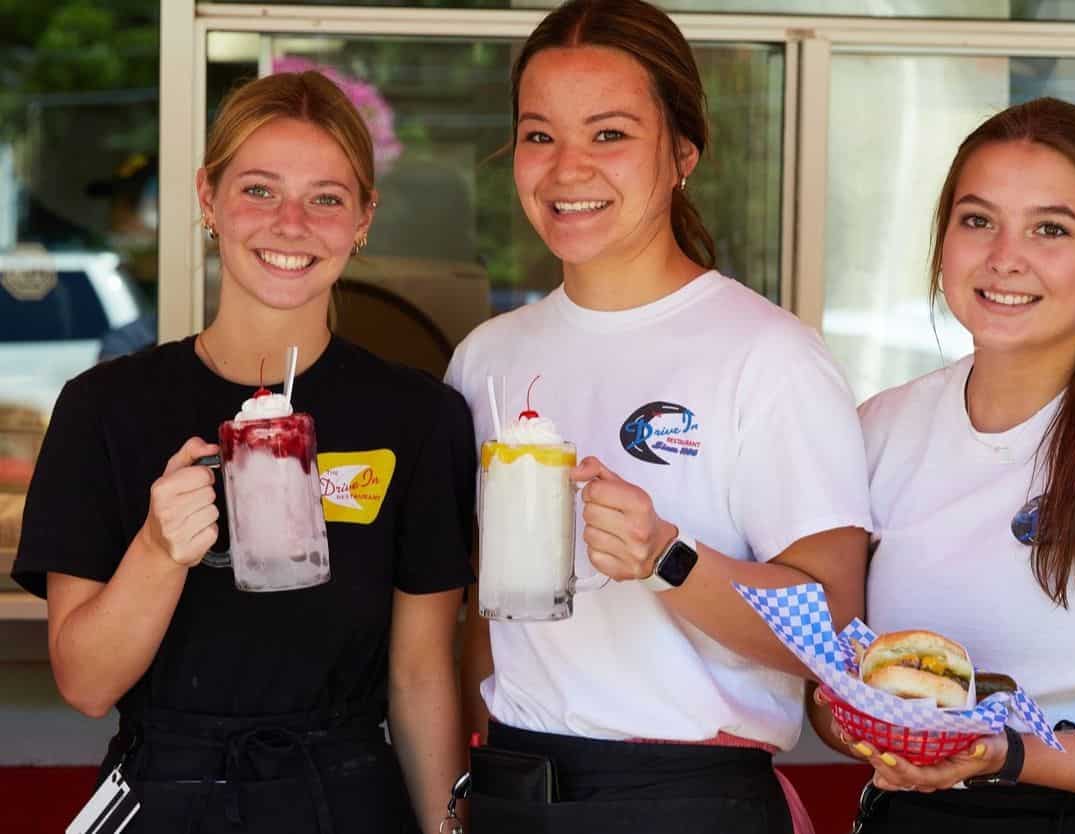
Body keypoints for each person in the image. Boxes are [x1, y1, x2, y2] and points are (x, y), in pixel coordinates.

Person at [444, 1, 871, 832]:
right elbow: (476, 619)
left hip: (687, 799)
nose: (567, 168)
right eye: (539, 135)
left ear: (682, 153)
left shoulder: (769, 356)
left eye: (609, 134)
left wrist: (669, 557)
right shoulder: (486, 359)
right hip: (513, 786)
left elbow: (836, 635)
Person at [12, 71, 475, 834]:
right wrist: (161, 549)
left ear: (363, 218)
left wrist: (447, 829)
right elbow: (87, 684)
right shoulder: (107, 407)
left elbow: (421, 674)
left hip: (348, 799)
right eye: (258, 190)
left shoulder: (419, 417)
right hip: (161, 798)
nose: (290, 224)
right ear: (207, 198)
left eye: (326, 198)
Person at [811, 97, 1075, 833]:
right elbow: (836, 694)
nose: (1005, 257)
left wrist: (1003, 754)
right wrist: (854, 717)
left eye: (1050, 229)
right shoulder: (881, 428)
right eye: (977, 220)